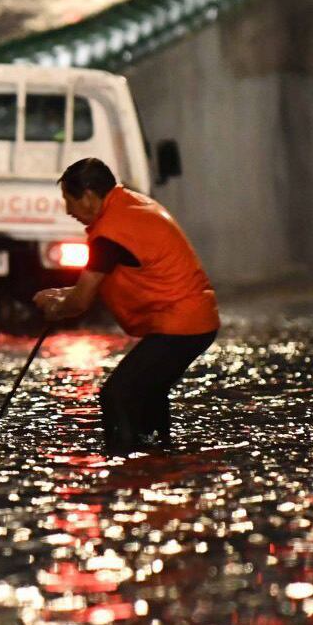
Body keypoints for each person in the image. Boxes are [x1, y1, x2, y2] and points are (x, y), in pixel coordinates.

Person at [34, 157, 218, 451]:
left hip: (180, 323)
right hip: (194, 320)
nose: (69, 211)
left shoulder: (110, 233)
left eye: (70, 201)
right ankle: (158, 457)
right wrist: (60, 293)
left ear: (90, 197)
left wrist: (58, 307)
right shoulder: (130, 206)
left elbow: (81, 300)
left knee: (118, 394)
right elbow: (92, 285)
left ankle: (125, 461)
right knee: (148, 390)